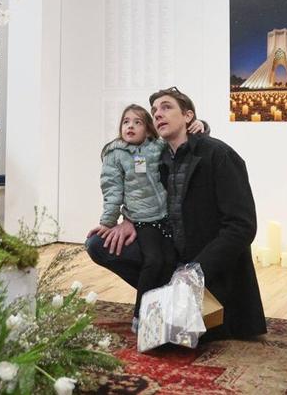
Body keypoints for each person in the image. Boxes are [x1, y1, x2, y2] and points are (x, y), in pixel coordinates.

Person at [87, 88, 266, 340]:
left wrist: (197, 270)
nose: (158, 114)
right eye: (154, 111)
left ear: (188, 116)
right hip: (169, 251)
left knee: (182, 339)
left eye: (166, 107)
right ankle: (162, 298)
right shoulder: (156, 157)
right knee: (98, 244)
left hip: (206, 262)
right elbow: (142, 193)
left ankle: (183, 300)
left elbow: (242, 227)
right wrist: (129, 220)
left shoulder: (219, 155)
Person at [97, 106, 205, 328]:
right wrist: (108, 222)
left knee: (169, 263)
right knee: (153, 261)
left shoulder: (156, 147)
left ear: (148, 129)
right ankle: (140, 315)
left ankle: (167, 313)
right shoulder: (115, 154)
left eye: (137, 122)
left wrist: (201, 126)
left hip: (165, 217)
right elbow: (112, 190)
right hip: (143, 221)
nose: (130, 126)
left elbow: (179, 137)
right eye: (126, 122)